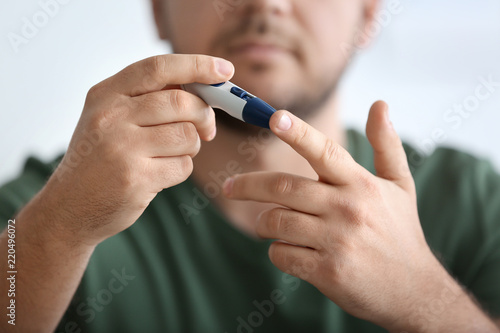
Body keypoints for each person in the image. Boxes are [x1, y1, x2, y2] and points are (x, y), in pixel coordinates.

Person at [1, 0, 500, 332]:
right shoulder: (45, 209)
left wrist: (423, 299)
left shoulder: (474, 204)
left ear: (368, 14)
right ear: (158, 9)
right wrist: (60, 230)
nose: (265, 5)